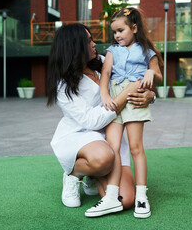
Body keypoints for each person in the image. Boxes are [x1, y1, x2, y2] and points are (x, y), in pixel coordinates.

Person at [46, 23, 156, 212]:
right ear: (75, 47)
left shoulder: (105, 61)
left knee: (126, 200)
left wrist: (151, 96)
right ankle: (74, 174)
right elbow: (91, 121)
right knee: (104, 158)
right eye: (88, 41)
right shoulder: (63, 85)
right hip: (80, 135)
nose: (94, 44)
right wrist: (126, 93)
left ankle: (94, 174)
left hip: (110, 135)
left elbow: (138, 78)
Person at [85, 7, 163, 219]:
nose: (117, 35)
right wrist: (105, 96)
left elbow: (159, 77)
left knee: (136, 148)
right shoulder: (112, 51)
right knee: (114, 148)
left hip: (136, 96)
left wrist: (150, 72)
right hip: (114, 98)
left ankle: (141, 196)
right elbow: (106, 74)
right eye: (115, 32)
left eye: (121, 30)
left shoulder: (148, 50)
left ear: (134, 28)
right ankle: (111, 195)